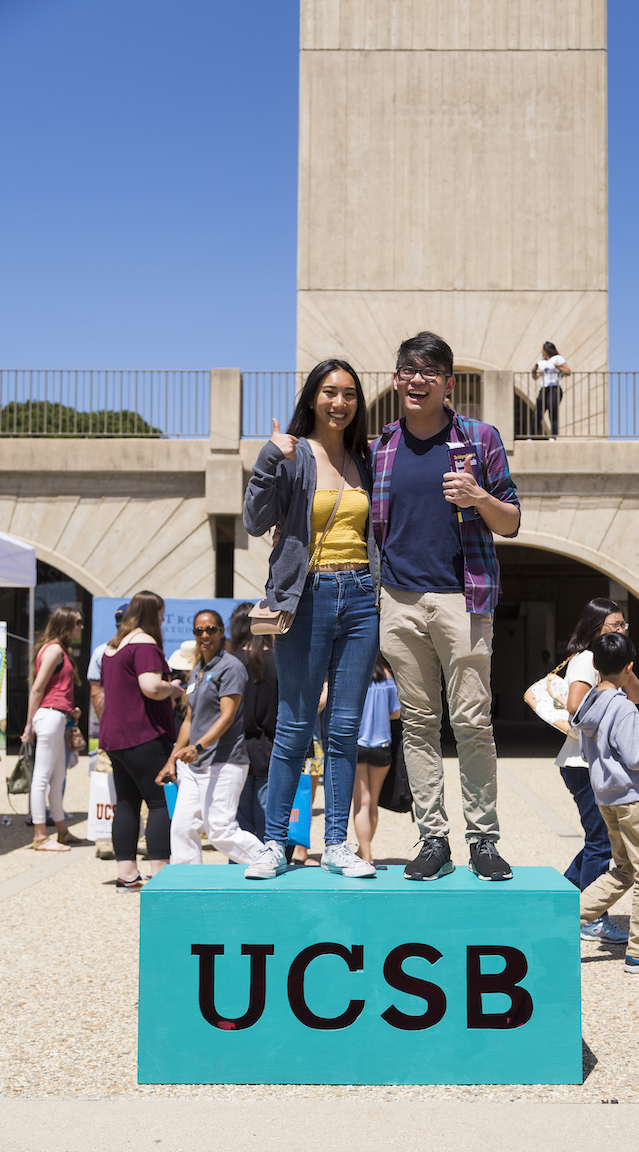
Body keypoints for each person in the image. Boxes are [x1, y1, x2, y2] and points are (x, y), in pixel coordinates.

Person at [372, 331, 520, 881]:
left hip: (464, 597)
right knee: (417, 723)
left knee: (473, 722)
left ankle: (484, 838)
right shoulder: (381, 447)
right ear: (395, 379)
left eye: (430, 371)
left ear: (448, 384)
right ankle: (432, 837)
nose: (418, 378)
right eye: (409, 369)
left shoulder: (479, 439)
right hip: (399, 598)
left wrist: (479, 497)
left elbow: (511, 522)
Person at [243, 359, 379, 880]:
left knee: (344, 729)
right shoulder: (294, 454)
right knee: (295, 726)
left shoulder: (365, 458)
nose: (339, 402)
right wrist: (266, 460)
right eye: (329, 392)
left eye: (348, 393)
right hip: (307, 595)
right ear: (312, 397)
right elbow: (257, 521)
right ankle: (274, 843)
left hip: (361, 595)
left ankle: (338, 844)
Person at [572, 632, 639, 974]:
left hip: (606, 798)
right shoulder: (624, 707)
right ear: (629, 667)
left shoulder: (589, 702)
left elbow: (606, 749)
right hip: (631, 800)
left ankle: (564, 919)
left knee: (622, 870)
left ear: (594, 665)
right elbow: (637, 758)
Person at [554, 597, 639, 944]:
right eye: (615, 625)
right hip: (582, 763)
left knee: (599, 839)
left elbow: (637, 697)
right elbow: (576, 707)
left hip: (594, 763)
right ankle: (592, 918)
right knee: (601, 841)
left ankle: (563, 896)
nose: (621, 629)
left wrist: (628, 666)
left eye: (624, 625)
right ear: (596, 627)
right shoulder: (585, 661)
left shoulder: (609, 661)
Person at [156, 610, 265, 866]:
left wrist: (198, 746)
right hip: (195, 765)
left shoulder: (231, 667)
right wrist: (172, 759)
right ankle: (188, 886)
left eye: (211, 630)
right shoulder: (197, 671)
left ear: (221, 632)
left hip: (225, 761)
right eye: (199, 631)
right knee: (182, 828)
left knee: (220, 831)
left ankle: (267, 862)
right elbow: (190, 720)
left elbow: (227, 716)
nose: (205, 635)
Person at [99, 591, 183, 892]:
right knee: (159, 803)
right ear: (151, 612)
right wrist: (174, 688)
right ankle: (160, 874)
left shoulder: (113, 646)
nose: (163, 618)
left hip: (116, 736)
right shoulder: (144, 643)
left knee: (126, 803)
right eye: (161, 613)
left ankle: (127, 875)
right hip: (143, 733)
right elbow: (150, 687)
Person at [22, 606, 85, 851]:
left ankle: (61, 831)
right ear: (66, 623)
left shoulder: (56, 649)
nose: (81, 626)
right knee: (43, 777)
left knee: (56, 778)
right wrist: (28, 725)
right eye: (78, 622)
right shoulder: (55, 650)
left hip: (57, 717)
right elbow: (37, 688)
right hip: (49, 717)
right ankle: (40, 836)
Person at [227, 602, 277, 842]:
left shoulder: (228, 664)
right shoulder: (279, 663)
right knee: (270, 822)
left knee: (238, 824)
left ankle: (238, 872)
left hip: (235, 750)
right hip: (272, 750)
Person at [351, 655, 401, 862]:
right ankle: (365, 851)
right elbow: (396, 713)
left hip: (359, 744)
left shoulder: (355, 675)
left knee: (361, 803)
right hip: (382, 745)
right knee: (372, 804)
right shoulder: (388, 676)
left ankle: (366, 854)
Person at [87, 604, 127, 861]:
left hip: (112, 730)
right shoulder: (106, 651)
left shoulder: (102, 650)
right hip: (124, 731)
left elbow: (95, 692)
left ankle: (107, 840)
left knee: (107, 784)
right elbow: (95, 693)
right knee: (109, 783)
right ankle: (107, 839)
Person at [530, 341, 570, 437]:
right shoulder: (541, 363)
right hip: (544, 389)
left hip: (555, 388)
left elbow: (568, 371)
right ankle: (532, 436)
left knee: (553, 413)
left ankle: (553, 436)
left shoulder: (558, 359)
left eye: (542, 350)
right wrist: (533, 371)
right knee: (537, 412)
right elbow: (536, 377)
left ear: (546, 350)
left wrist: (558, 367)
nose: (541, 352)